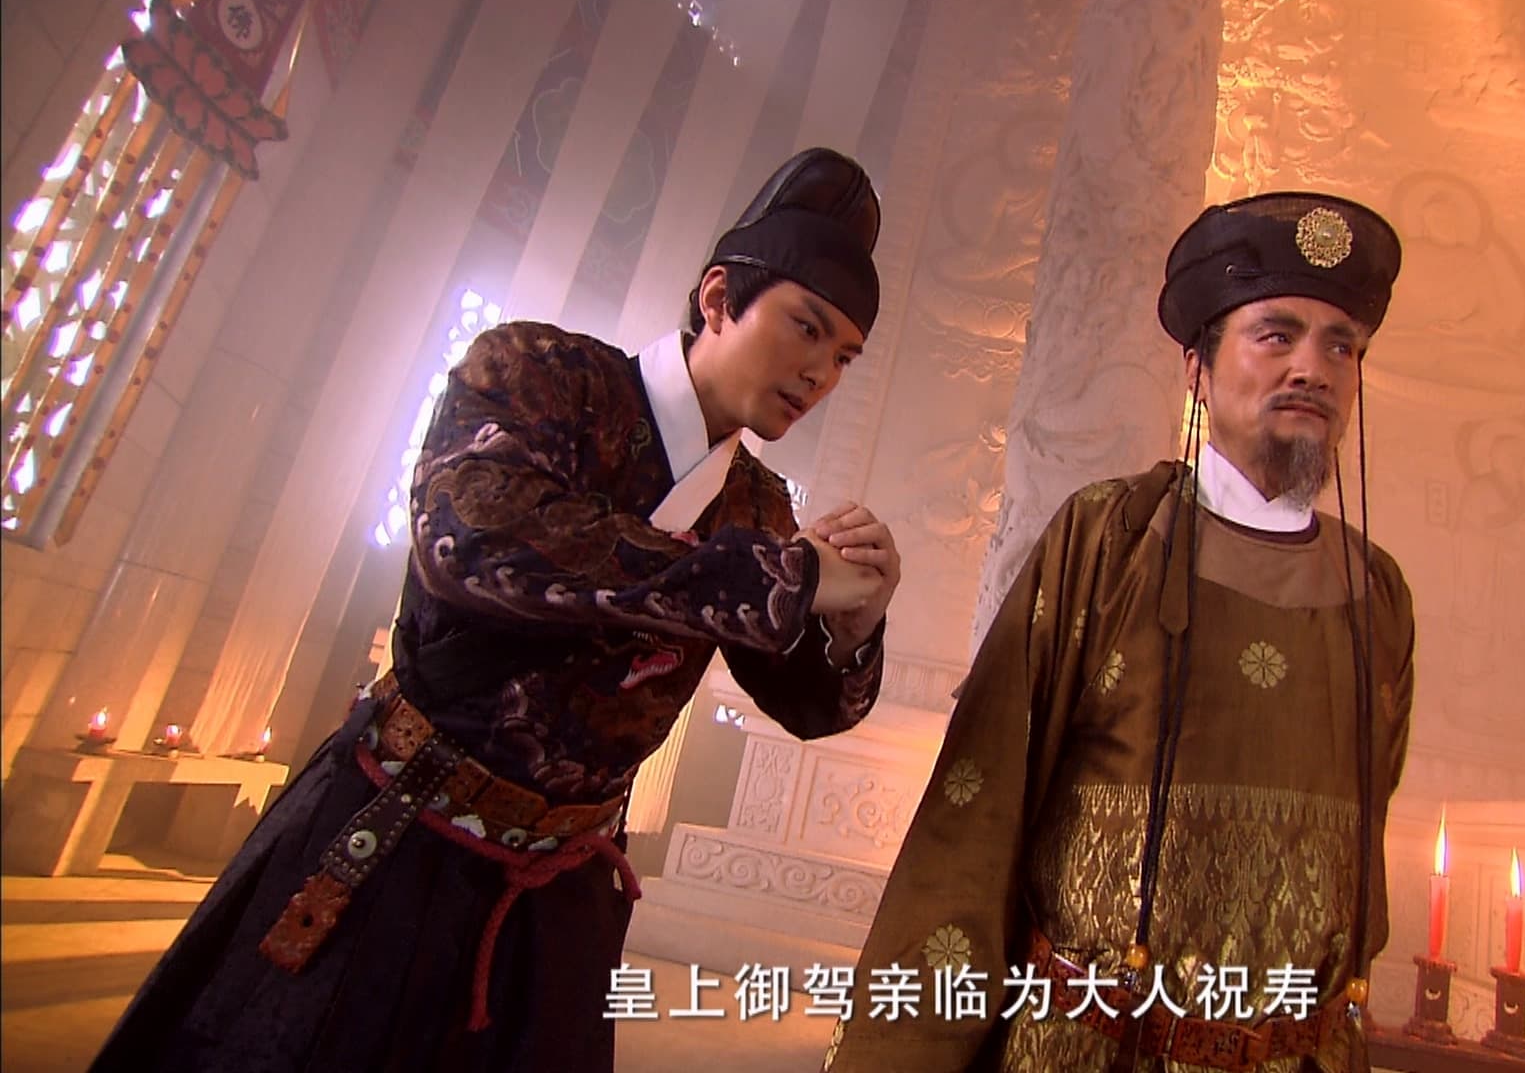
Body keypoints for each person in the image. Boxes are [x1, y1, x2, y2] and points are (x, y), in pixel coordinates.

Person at [92, 148, 903, 1072]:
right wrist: (778, 580)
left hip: (564, 891)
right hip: (399, 834)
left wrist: (853, 630)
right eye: (806, 329)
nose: (821, 372)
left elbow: (806, 704)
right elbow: (472, 540)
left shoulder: (758, 507)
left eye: (844, 357)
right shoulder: (539, 374)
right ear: (719, 298)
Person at [828, 192, 1415, 1073]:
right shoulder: (1108, 538)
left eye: (1342, 346)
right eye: (1276, 335)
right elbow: (978, 810)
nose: (1314, 368)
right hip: (1087, 1048)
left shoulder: (1378, 593)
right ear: (1197, 368)